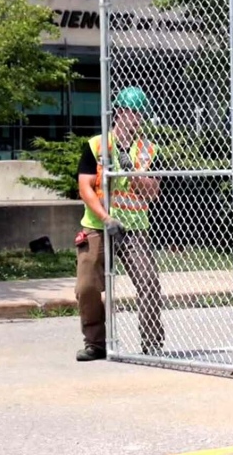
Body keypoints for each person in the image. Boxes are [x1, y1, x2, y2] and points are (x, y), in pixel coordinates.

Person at [74, 86, 165, 362]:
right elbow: (85, 187)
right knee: (87, 287)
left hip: (135, 226)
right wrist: (105, 218)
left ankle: (151, 344)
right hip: (98, 225)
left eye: (140, 115)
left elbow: (153, 192)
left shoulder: (148, 150)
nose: (136, 120)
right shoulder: (97, 145)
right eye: (132, 113)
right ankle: (95, 343)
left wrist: (131, 170)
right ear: (120, 112)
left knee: (148, 283)